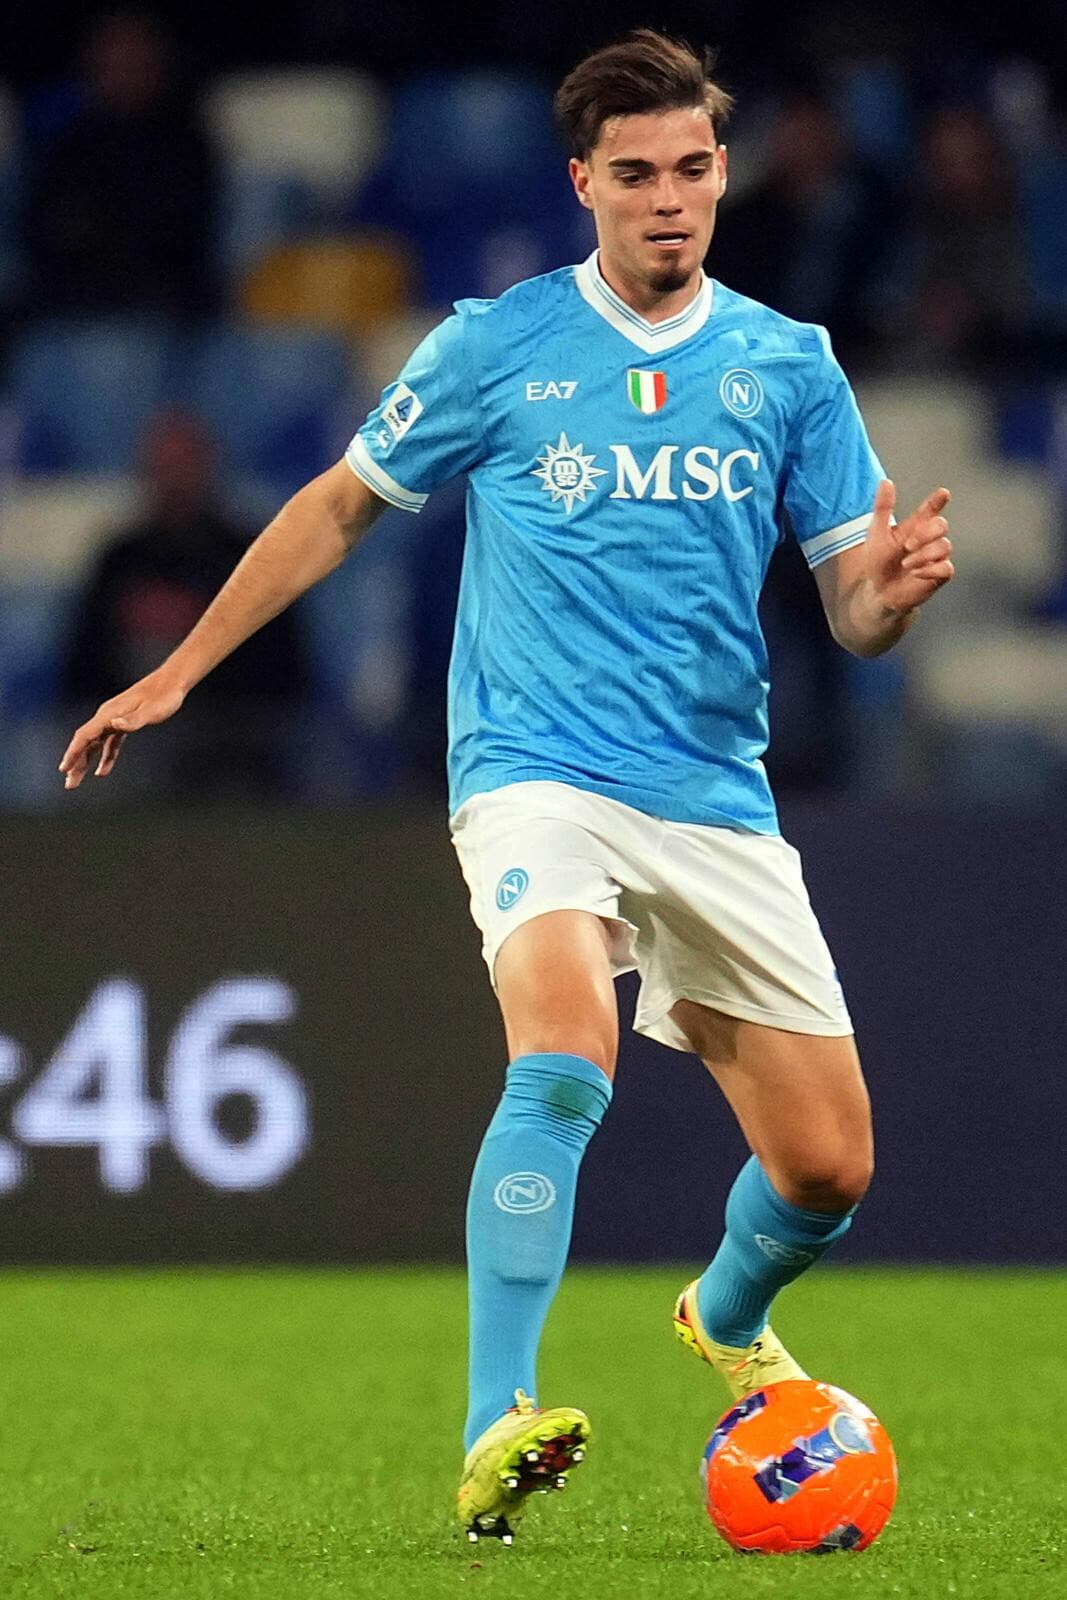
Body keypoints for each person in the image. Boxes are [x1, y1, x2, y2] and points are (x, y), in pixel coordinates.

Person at [59, 29, 955, 1546]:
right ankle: (495, 1421)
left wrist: (894, 589)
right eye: (634, 175)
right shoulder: (498, 344)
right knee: (560, 1053)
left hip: (711, 793)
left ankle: (726, 1313)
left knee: (825, 1168)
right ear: (581, 183)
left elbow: (850, 613)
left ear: (718, 174)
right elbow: (339, 505)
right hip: (533, 772)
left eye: (690, 170)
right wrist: (180, 669)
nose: (667, 200)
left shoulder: (786, 366)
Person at [60, 409, 311, 802]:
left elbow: (283, 673)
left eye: (185, 463)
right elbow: (81, 667)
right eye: (165, 465)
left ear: (210, 467)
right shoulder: (120, 560)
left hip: (231, 740)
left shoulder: (247, 555)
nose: (176, 477)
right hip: (131, 746)